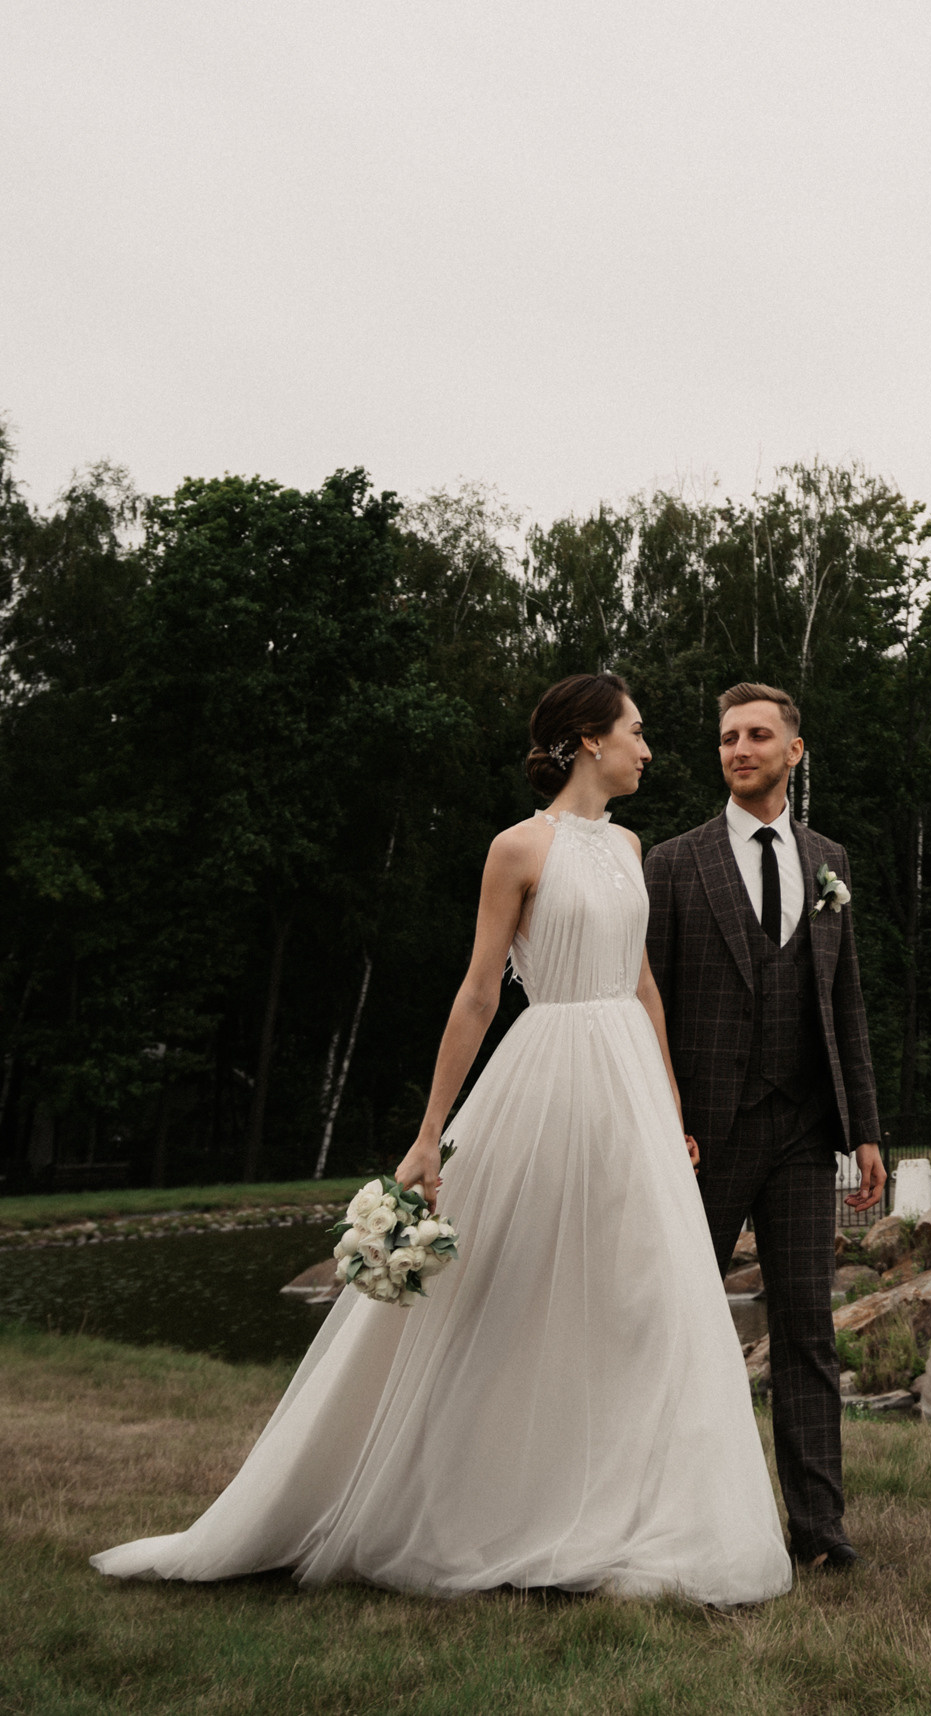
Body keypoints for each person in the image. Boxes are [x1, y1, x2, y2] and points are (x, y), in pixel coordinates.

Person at [94, 675, 789, 1605]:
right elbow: (477, 991)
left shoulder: (630, 846)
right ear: (589, 740)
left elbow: (641, 983)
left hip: (629, 1085)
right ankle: (479, 1499)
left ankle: (634, 1501)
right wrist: (430, 1134)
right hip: (550, 1074)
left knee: (641, 1295)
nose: (648, 748)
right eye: (636, 731)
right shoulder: (518, 848)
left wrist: (668, 1097)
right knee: (510, 1285)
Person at [646, 683, 884, 1573]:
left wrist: (865, 1128)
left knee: (807, 1331)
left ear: (793, 750)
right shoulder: (674, 863)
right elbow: (647, 1005)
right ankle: (669, 1517)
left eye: (755, 735)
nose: (738, 749)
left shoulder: (830, 861)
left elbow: (845, 1002)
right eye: (726, 738)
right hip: (704, 1134)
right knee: (679, 1324)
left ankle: (819, 1531)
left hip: (804, 1130)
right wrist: (665, 1117)